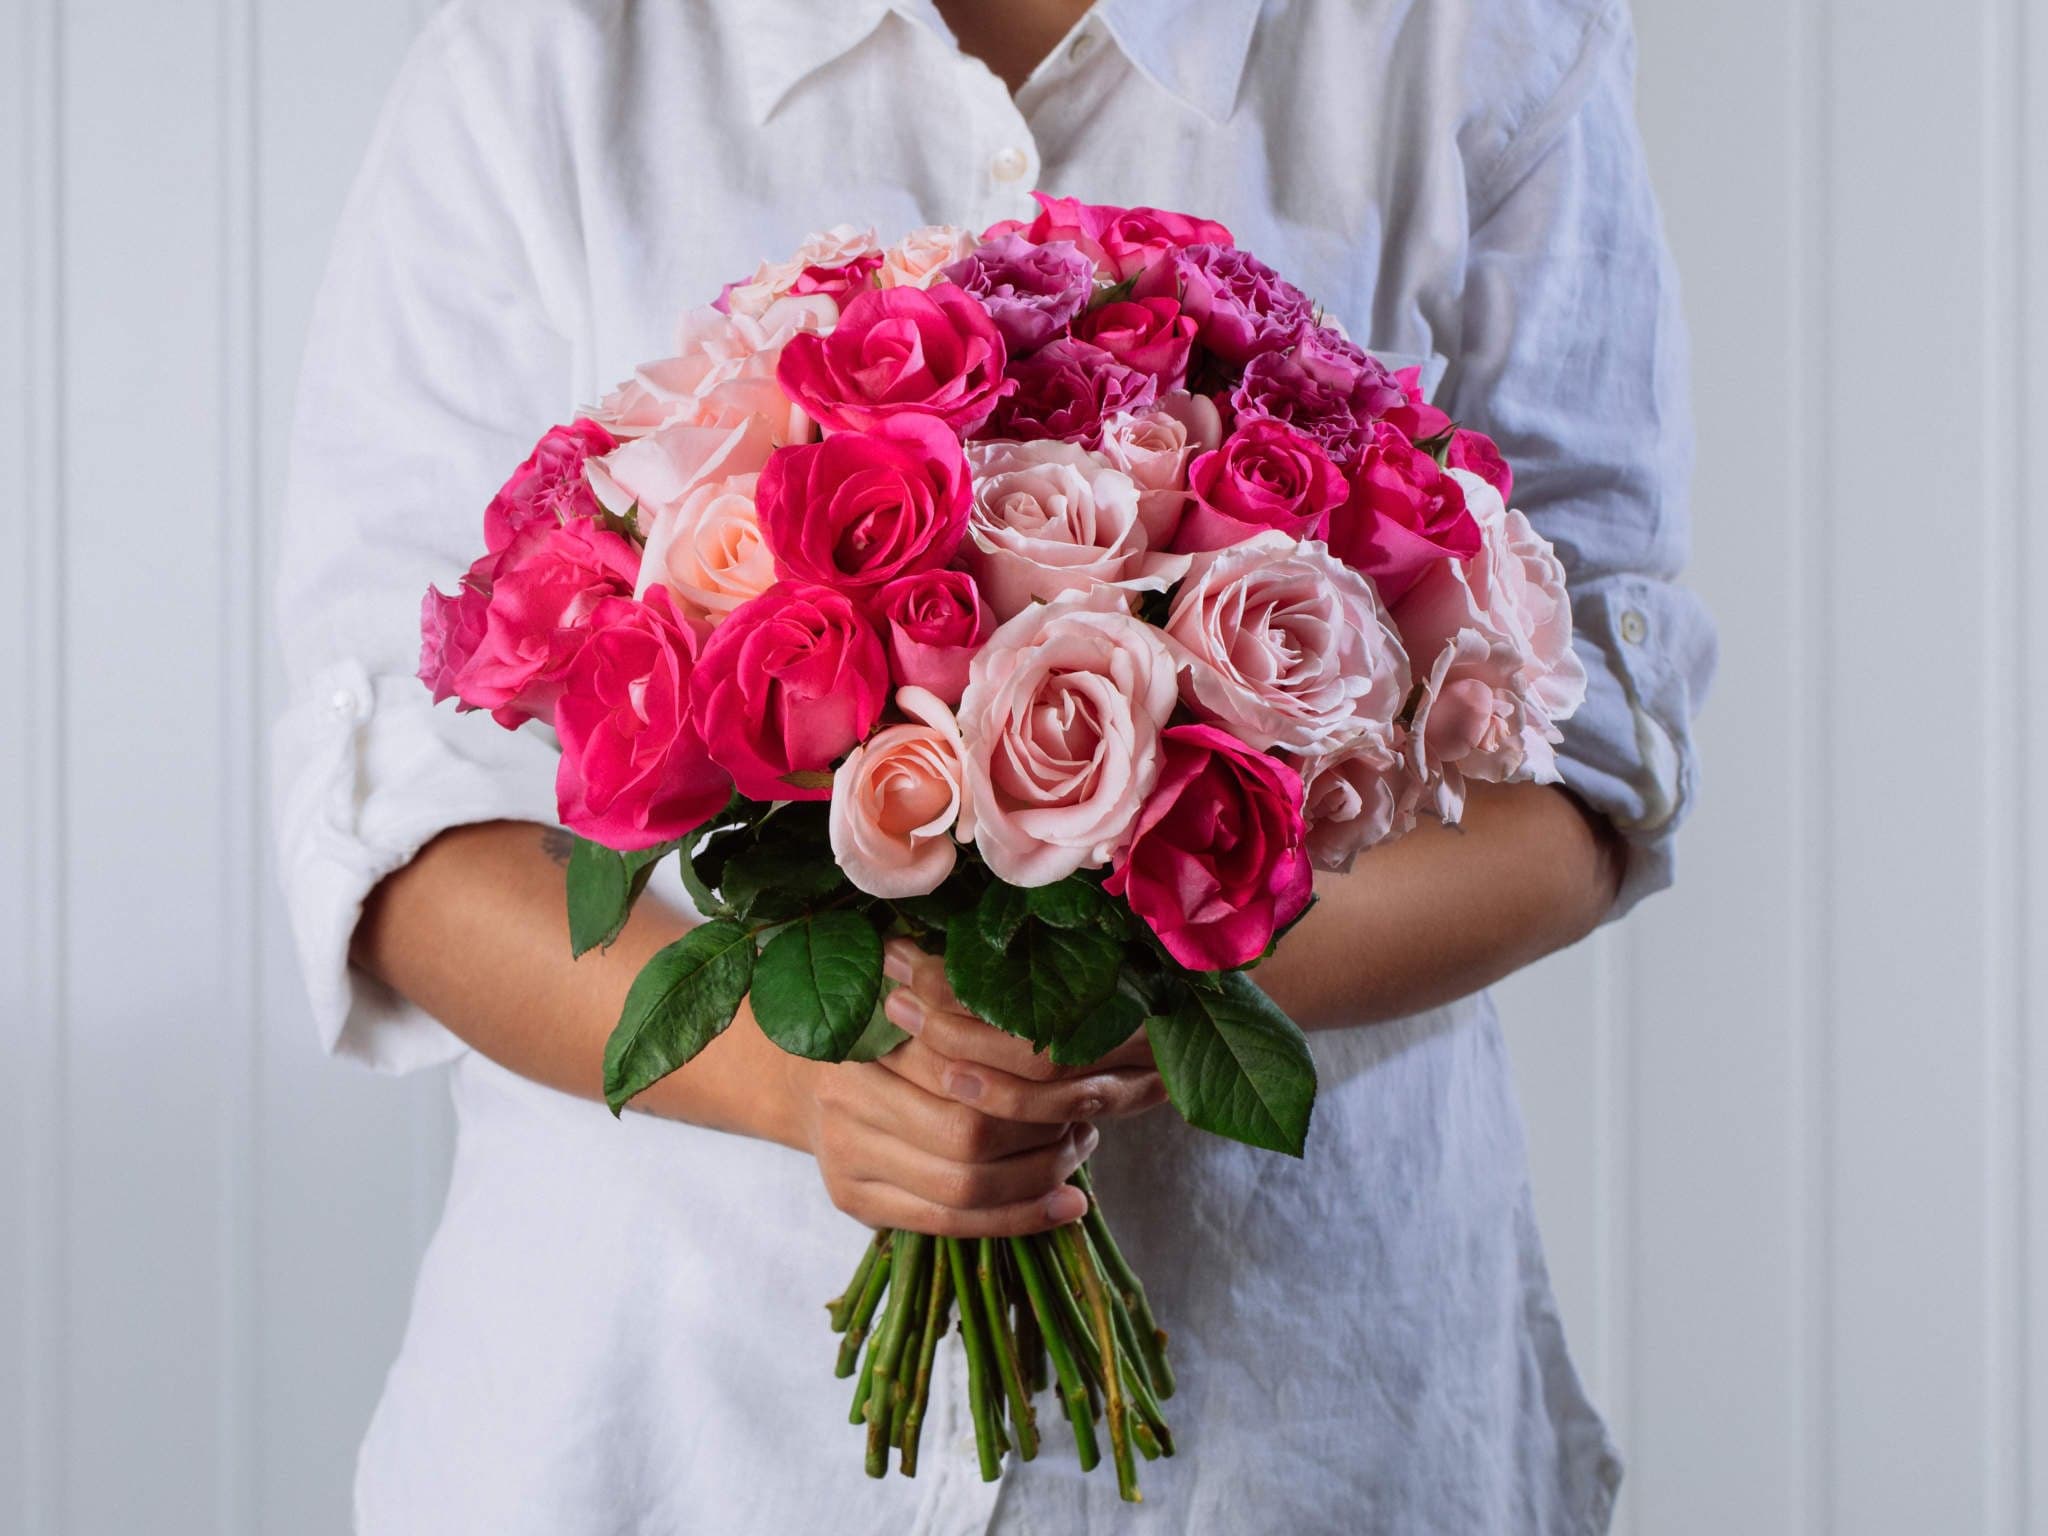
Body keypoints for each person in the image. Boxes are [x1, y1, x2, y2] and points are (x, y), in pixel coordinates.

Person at [273, 0, 1715, 1530]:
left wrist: (1142, 995)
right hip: (668, 1422)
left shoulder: (1473, 36)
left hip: (1296, 1420)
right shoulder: (543, 48)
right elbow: (398, 801)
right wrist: (799, 1081)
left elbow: (1585, 751)